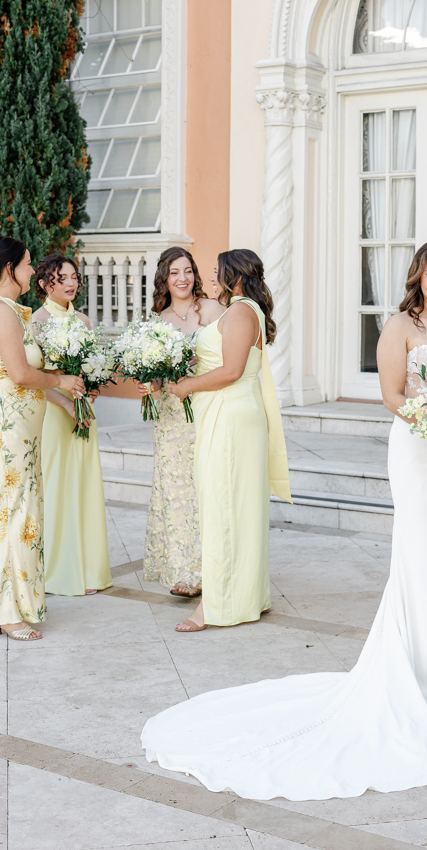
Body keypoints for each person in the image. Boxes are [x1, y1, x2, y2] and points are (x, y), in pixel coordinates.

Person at [141, 239, 427, 799]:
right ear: (418, 278)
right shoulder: (401, 326)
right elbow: (392, 395)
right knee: (423, 556)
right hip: (422, 453)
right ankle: (424, 668)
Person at [164, 249, 292, 632]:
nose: (211, 278)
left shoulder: (239, 312)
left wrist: (187, 386)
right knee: (240, 508)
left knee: (222, 507)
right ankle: (248, 597)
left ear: (234, 276)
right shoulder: (245, 310)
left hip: (230, 416)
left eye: (217, 272)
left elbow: (232, 370)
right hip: (234, 413)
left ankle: (213, 607)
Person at [0, 232, 84, 642]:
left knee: (23, 513)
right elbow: (20, 374)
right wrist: (61, 380)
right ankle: (5, 611)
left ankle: (21, 603)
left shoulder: (12, 310)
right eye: (28, 264)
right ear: (10, 268)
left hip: (21, 432)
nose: (33, 269)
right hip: (5, 431)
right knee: (8, 513)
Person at [137, 247, 223, 598]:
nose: (183, 278)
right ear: (164, 278)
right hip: (172, 416)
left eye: (188, 270)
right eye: (174, 272)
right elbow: (156, 377)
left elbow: (228, 360)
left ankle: (211, 568)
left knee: (206, 487)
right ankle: (183, 571)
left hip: (206, 407)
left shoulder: (213, 310)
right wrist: (149, 384)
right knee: (176, 491)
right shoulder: (157, 321)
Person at [32, 254, 113, 598]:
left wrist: (90, 393)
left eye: (73, 277)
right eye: (61, 278)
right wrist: (65, 402)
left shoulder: (83, 320)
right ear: (43, 284)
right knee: (56, 485)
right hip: (53, 412)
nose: (70, 283)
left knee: (84, 485)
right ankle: (56, 571)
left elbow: (91, 368)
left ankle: (88, 569)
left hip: (82, 411)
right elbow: (34, 378)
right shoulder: (36, 321)